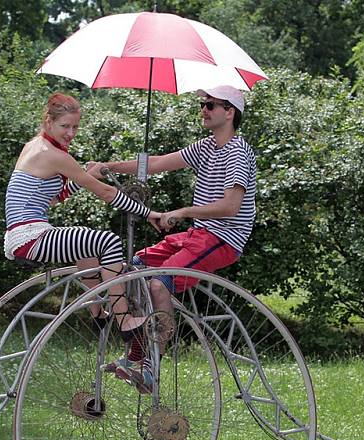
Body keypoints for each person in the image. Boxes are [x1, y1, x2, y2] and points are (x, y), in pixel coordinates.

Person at [89, 85, 257, 393]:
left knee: (159, 281)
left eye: (211, 105)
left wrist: (181, 211)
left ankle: (153, 365)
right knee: (132, 270)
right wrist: (106, 168)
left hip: (224, 237)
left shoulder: (238, 153)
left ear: (230, 112)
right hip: (198, 234)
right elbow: (155, 164)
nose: (204, 109)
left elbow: (231, 207)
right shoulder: (207, 147)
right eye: (203, 104)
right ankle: (136, 352)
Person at [4, 92, 161, 335]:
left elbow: (55, 198)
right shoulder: (54, 155)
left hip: (24, 234)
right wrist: (149, 213)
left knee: (89, 245)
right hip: (31, 236)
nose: (71, 133)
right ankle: (124, 319)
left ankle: (98, 314)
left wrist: (86, 176)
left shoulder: (34, 146)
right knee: (108, 242)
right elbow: (107, 193)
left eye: (75, 126)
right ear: (48, 121)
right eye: (65, 126)